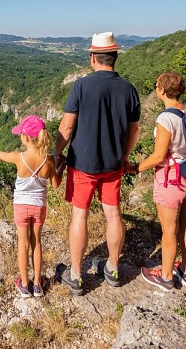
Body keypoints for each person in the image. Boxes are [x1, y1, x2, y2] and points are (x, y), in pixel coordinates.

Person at [55, 32, 140, 295]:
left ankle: (76, 275)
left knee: (80, 215)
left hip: (82, 164)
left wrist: (57, 153)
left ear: (93, 57)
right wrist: (124, 157)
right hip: (113, 164)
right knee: (113, 214)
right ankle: (113, 269)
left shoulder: (81, 86)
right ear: (115, 57)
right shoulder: (128, 89)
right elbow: (133, 130)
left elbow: (67, 127)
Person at [131, 71, 186, 291]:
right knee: (185, 224)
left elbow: (159, 156)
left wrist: (136, 168)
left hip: (172, 179)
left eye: (156, 86)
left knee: (169, 230)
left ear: (161, 90)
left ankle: (166, 277)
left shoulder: (166, 118)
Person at [0, 115, 61, 298]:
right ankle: (37, 285)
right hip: (39, 207)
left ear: (26, 137)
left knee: (23, 245)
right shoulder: (49, 160)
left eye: (21, 134)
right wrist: (61, 167)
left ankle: (24, 285)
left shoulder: (19, 157)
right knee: (37, 243)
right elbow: (55, 184)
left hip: (21, 207)